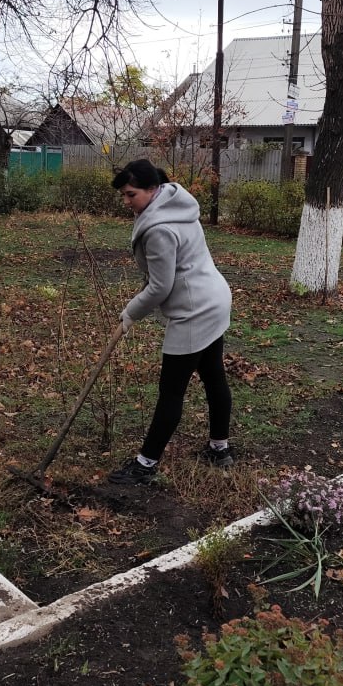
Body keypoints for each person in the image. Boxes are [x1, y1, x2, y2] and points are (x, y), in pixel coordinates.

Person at [107, 159, 233, 485]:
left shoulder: (160, 228)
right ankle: (219, 449)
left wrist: (130, 313)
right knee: (213, 374)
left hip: (196, 310)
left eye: (131, 194)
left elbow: (160, 287)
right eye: (123, 195)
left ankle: (145, 464)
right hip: (214, 296)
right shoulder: (177, 206)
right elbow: (165, 275)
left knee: (171, 391)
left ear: (153, 188)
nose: (126, 202)